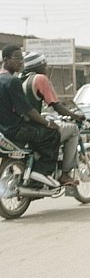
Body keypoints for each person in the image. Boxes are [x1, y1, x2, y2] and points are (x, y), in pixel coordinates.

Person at [21, 51, 86, 185]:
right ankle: (66, 174)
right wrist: (75, 116)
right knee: (73, 129)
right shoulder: (40, 79)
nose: (47, 68)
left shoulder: (19, 79)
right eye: (44, 65)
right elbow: (56, 105)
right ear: (38, 66)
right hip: (36, 128)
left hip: (22, 126)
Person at [0, 45, 61, 187]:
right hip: (16, 130)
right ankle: (42, 172)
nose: (20, 62)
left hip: (3, 130)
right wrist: (47, 123)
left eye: (22, 58)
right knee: (53, 134)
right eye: (16, 58)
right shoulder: (12, 81)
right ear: (5, 59)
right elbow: (27, 110)